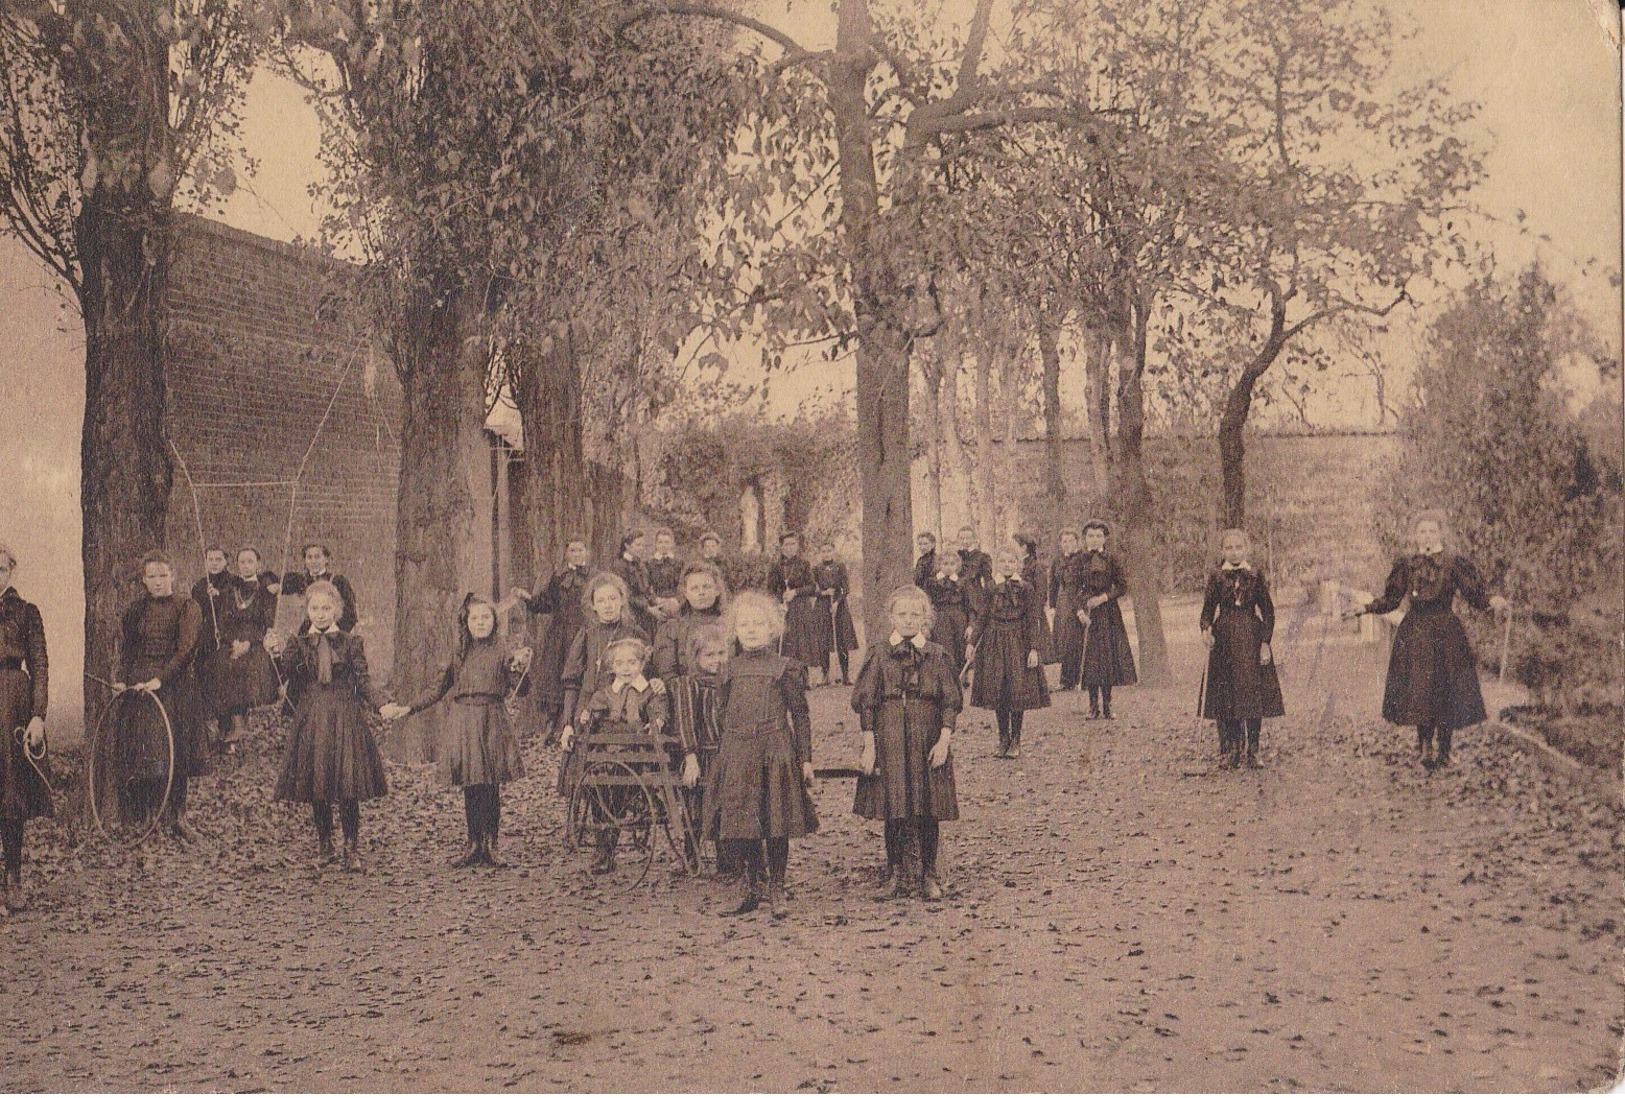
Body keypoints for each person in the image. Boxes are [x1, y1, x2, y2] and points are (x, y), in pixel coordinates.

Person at [1346, 511, 1508, 770]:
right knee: (1421, 690)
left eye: (1432, 531)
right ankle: (1425, 746)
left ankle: (1445, 749)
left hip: (1446, 633)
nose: (1428, 536)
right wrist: (1365, 608)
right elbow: (1391, 599)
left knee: (1445, 690)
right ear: (1415, 536)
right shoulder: (1407, 565)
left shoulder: (1454, 564)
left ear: (1441, 533)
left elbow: (1473, 594)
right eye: (1422, 532)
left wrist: (1491, 602)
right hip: (1416, 633)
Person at [388, 595, 532, 867]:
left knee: (490, 785)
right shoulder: (459, 653)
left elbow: (522, 689)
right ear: (466, 622)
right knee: (471, 784)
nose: (480, 623)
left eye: (486, 618)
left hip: (492, 718)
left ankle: (491, 844)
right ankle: (473, 843)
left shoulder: (503, 650)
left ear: (494, 621)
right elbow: (438, 689)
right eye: (475, 618)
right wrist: (409, 708)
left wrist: (519, 668)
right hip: (464, 720)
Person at [704, 591, 817, 918]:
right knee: (743, 820)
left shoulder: (785, 668)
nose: (751, 630)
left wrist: (805, 759)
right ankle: (753, 887)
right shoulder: (728, 669)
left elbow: (801, 714)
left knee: (776, 821)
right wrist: (729, 751)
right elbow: (721, 713)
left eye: (758, 623)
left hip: (776, 750)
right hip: (739, 753)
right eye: (744, 624)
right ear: (734, 630)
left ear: (773, 629)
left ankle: (777, 887)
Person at [268, 582, 391, 871]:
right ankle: (325, 845)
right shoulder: (298, 643)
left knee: (347, 785)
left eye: (326, 608)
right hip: (312, 717)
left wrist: (381, 704)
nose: (320, 614)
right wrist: (273, 654)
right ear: (307, 610)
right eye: (314, 608)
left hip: (345, 715)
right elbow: (281, 675)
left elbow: (363, 680)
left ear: (337, 609)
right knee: (318, 784)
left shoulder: (351, 642)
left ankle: (351, 847)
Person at [852, 586, 960, 901]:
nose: (909, 620)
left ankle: (928, 872)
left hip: (927, 738)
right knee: (894, 807)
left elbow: (950, 703)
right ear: (891, 617)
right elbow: (866, 703)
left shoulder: (938, 655)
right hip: (890, 739)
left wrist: (944, 740)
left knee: (928, 807)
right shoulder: (878, 653)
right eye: (902, 614)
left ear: (925, 617)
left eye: (916, 614)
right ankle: (896, 871)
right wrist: (869, 745)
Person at [110, 551, 207, 838]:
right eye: (151, 577)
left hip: (174, 687)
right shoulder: (135, 611)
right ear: (143, 580)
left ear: (173, 576)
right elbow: (128, 652)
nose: (158, 582)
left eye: (163, 575)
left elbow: (186, 649)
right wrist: (122, 681)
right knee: (147, 753)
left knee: (176, 751)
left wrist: (160, 679)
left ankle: (176, 816)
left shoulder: (187, 607)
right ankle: (149, 817)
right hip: (141, 689)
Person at [575, 637, 672, 875]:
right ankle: (604, 849)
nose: (626, 668)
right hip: (609, 753)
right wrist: (587, 717)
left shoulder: (649, 691)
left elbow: (659, 709)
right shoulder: (606, 693)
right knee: (600, 786)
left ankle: (643, 799)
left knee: (628, 776)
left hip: (636, 752)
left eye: (632, 662)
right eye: (620, 663)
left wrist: (657, 722)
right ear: (612, 667)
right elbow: (592, 711)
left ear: (641, 665)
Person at [556, 572, 655, 799]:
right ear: (592, 605)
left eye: (612, 599)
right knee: (593, 777)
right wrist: (568, 723)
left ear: (622, 599)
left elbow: (649, 676)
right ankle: (601, 826)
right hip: (591, 709)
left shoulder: (636, 634)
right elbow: (572, 681)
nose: (608, 606)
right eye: (601, 601)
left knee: (625, 773)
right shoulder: (588, 634)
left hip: (627, 711)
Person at [1199, 530, 1285, 769]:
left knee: (1251, 693)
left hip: (1250, 637)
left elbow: (1267, 611)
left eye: (1239, 547)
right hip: (1224, 638)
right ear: (1223, 551)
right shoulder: (1217, 576)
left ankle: (1252, 749)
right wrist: (1206, 630)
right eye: (1229, 548)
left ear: (1246, 549)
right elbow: (1207, 611)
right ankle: (1230, 749)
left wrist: (1265, 643)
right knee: (1226, 693)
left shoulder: (1255, 575)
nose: (1234, 552)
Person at [965, 544, 1049, 759]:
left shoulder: (1026, 588)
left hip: (1018, 642)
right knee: (998, 691)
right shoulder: (991, 588)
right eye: (1002, 561)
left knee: (1016, 691)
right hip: (994, 642)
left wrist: (1034, 649)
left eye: (1011, 561)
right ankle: (1002, 738)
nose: (1007, 565)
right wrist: (972, 643)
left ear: (1017, 564)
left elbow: (1032, 620)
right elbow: (982, 617)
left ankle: (1016, 739)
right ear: (997, 564)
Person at [0, 546, 49, 914]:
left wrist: (37, 716)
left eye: (1, 568)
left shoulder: (27, 612)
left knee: (11, 791)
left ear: (11, 571)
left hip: (12, 705)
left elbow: (41, 666)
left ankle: (13, 877)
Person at [511, 538, 592, 742]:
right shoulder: (558, 577)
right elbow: (544, 605)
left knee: (580, 676)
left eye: (580, 550)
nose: (576, 554)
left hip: (583, 633)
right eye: (572, 550)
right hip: (559, 635)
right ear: (566, 554)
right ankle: (552, 724)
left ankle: (575, 723)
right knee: (555, 676)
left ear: (586, 552)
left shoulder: (593, 577)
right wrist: (526, 597)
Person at [668, 624, 726, 869]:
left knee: (726, 805)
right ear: (696, 658)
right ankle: (692, 854)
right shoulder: (689, 684)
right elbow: (685, 723)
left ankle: (727, 855)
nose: (717, 660)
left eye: (721, 653)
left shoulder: (729, 682)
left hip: (725, 754)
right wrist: (690, 758)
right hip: (700, 755)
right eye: (709, 655)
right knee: (697, 807)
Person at [216, 546, 282, 748]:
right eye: (242, 562)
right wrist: (233, 641)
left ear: (258, 564)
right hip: (233, 641)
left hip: (256, 641)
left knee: (248, 666)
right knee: (221, 664)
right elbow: (223, 623)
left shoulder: (266, 591)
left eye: (250, 561)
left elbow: (268, 622)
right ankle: (230, 723)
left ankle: (244, 723)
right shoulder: (230, 591)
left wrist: (249, 642)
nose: (245, 566)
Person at [1077, 520, 1137, 720]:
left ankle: (1108, 704)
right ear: (1085, 539)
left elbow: (1122, 586)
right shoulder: (1080, 560)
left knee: (1107, 659)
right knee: (1091, 660)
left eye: (1098, 536)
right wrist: (1081, 611)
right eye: (1090, 536)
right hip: (1088, 616)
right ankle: (1092, 705)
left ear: (1104, 538)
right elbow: (1074, 589)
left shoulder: (1112, 559)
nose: (1094, 539)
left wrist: (1103, 598)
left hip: (1108, 614)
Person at [653, 561, 727, 681]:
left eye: (706, 586)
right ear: (686, 594)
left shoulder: (730, 625)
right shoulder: (673, 628)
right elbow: (667, 674)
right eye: (694, 588)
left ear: (717, 590)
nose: (701, 592)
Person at [765, 533, 824, 680]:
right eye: (787, 544)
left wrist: (796, 592)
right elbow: (770, 589)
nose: (790, 548)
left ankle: (804, 678)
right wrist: (779, 602)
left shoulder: (804, 564)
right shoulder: (775, 565)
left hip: (801, 608)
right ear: (781, 547)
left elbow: (812, 587)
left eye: (793, 544)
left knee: (802, 642)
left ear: (797, 546)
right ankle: (787, 677)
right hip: (784, 609)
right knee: (786, 642)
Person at [190, 546, 232, 748]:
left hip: (228, 639)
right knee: (204, 683)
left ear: (226, 562)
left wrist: (219, 597)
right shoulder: (200, 586)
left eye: (218, 559)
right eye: (210, 559)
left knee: (225, 685)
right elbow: (198, 615)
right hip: (206, 642)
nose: (214, 563)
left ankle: (227, 731)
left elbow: (233, 610)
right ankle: (206, 732)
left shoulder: (233, 583)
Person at [280, 544, 360, 633]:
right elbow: (277, 585)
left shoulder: (338, 581)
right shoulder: (299, 580)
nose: (313, 561)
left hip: (333, 631)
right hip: (309, 632)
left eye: (317, 557)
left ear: (326, 559)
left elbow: (350, 613)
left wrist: (338, 632)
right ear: (305, 560)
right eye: (309, 557)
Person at [813, 540, 860, 687]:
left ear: (833, 552)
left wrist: (836, 602)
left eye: (829, 550)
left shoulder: (840, 567)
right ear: (820, 553)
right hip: (822, 607)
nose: (826, 553)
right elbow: (812, 589)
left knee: (841, 640)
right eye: (823, 551)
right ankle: (825, 675)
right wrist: (823, 592)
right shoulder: (816, 569)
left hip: (839, 607)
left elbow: (846, 589)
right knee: (823, 641)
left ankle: (845, 675)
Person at [1049, 530, 1088, 691]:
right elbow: (1053, 584)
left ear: (1077, 542)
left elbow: (1085, 584)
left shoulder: (1082, 559)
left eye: (1071, 541)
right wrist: (1052, 606)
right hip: (1063, 603)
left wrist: (1081, 606)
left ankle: (1082, 679)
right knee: (1064, 641)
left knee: (1077, 640)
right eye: (1064, 541)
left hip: (1078, 600)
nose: (1067, 544)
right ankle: (1066, 680)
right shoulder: (1058, 560)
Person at [921, 549, 972, 673]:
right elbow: (926, 603)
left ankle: (959, 679)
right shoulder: (931, 582)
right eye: (945, 564)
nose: (948, 567)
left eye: (952, 564)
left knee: (959, 649)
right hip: (940, 619)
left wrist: (971, 625)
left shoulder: (963, 582)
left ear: (957, 565)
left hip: (959, 619)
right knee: (942, 648)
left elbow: (970, 606)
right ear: (939, 564)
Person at [610, 530, 663, 637]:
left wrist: (655, 601)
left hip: (647, 612)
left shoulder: (641, 564)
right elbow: (625, 594)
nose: (641, 548)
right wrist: (647, 608)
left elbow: (647, 589)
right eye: (637, 545)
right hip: (631, 612)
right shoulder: (619, 566)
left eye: (643, 545)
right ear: (627, 546)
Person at [647, 528, 684, 620]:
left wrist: (677, 599)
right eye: (660, 542)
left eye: (667, 542)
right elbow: (646, 587)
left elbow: (683, 584)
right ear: (655, 544)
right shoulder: (649, 563)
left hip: (676, 602)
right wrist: (655, 599)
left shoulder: (679, 563)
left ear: (672, 544)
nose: (663, 545)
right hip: (657, 602)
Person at [955, 526, 993, 593]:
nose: (965, 541)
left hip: (975, 594)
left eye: (968, 538)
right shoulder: (955, 556)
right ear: (958, 539)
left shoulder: (982, 557)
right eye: (962, 538)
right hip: (958, 594)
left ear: (973, 539)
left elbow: (987, 580)